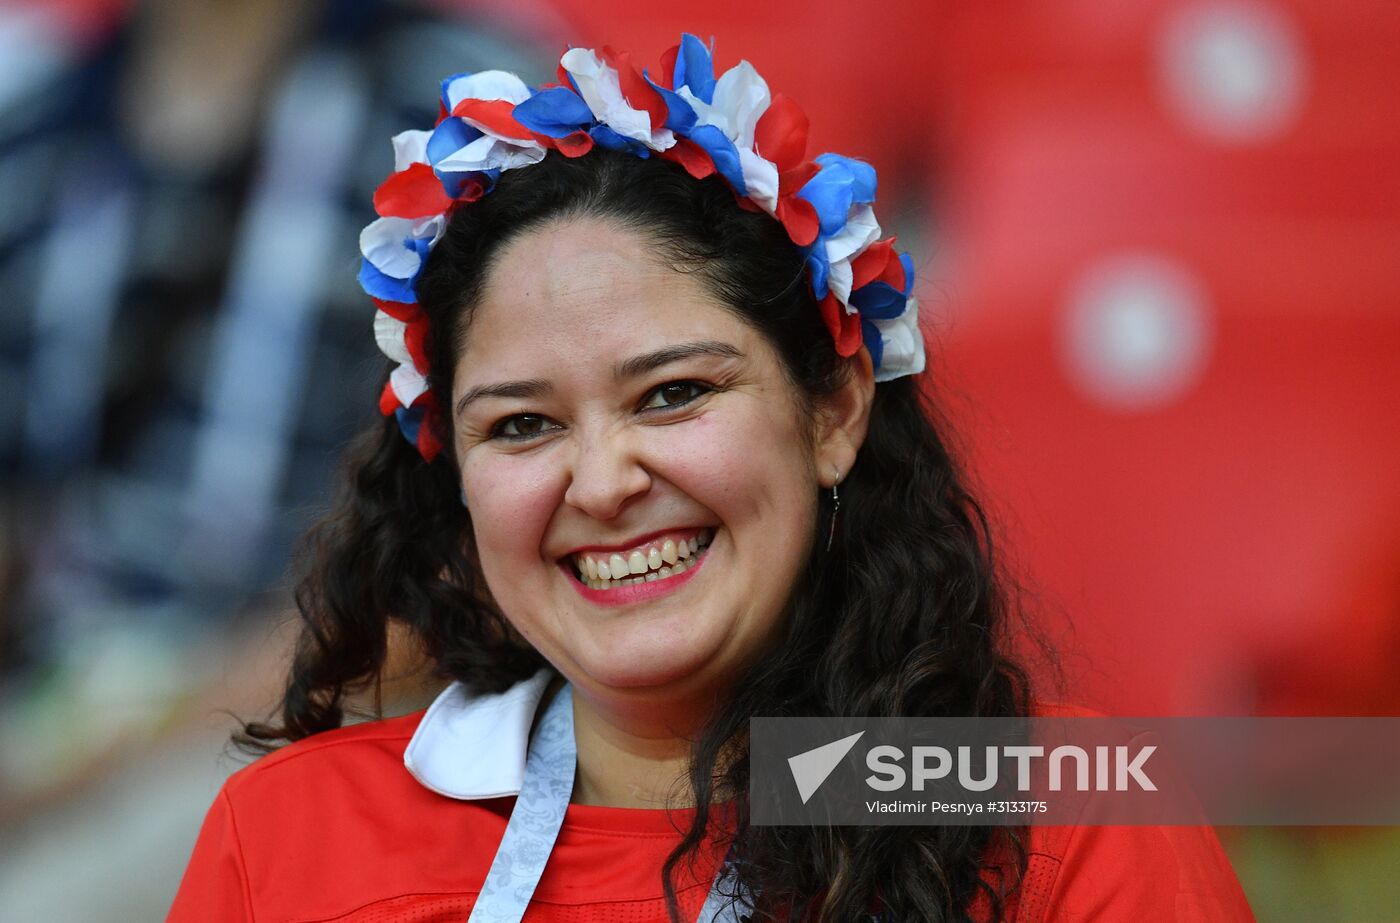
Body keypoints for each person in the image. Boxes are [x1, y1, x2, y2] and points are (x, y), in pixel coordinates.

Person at [167, 35, 1255, 923]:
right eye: (522, 424)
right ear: (454, 476)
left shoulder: (1064, 823)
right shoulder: (287, 838)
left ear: (832, 410)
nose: (600, 480)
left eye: (673, 394)